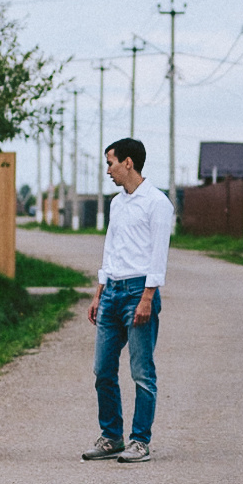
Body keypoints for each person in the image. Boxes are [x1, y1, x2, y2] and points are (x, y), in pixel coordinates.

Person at [80, 137, 171, 465]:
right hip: (112, 292)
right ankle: (111, 437)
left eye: (111, 163)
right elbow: (111, 248)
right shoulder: (117, 203)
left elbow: (158, 254)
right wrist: (99, 292)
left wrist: (147, 297)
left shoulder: (157, 203)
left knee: (141, 371)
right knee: (103, 369)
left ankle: (140, 441)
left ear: (128, 162)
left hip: (138, 292)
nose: (108, 170)